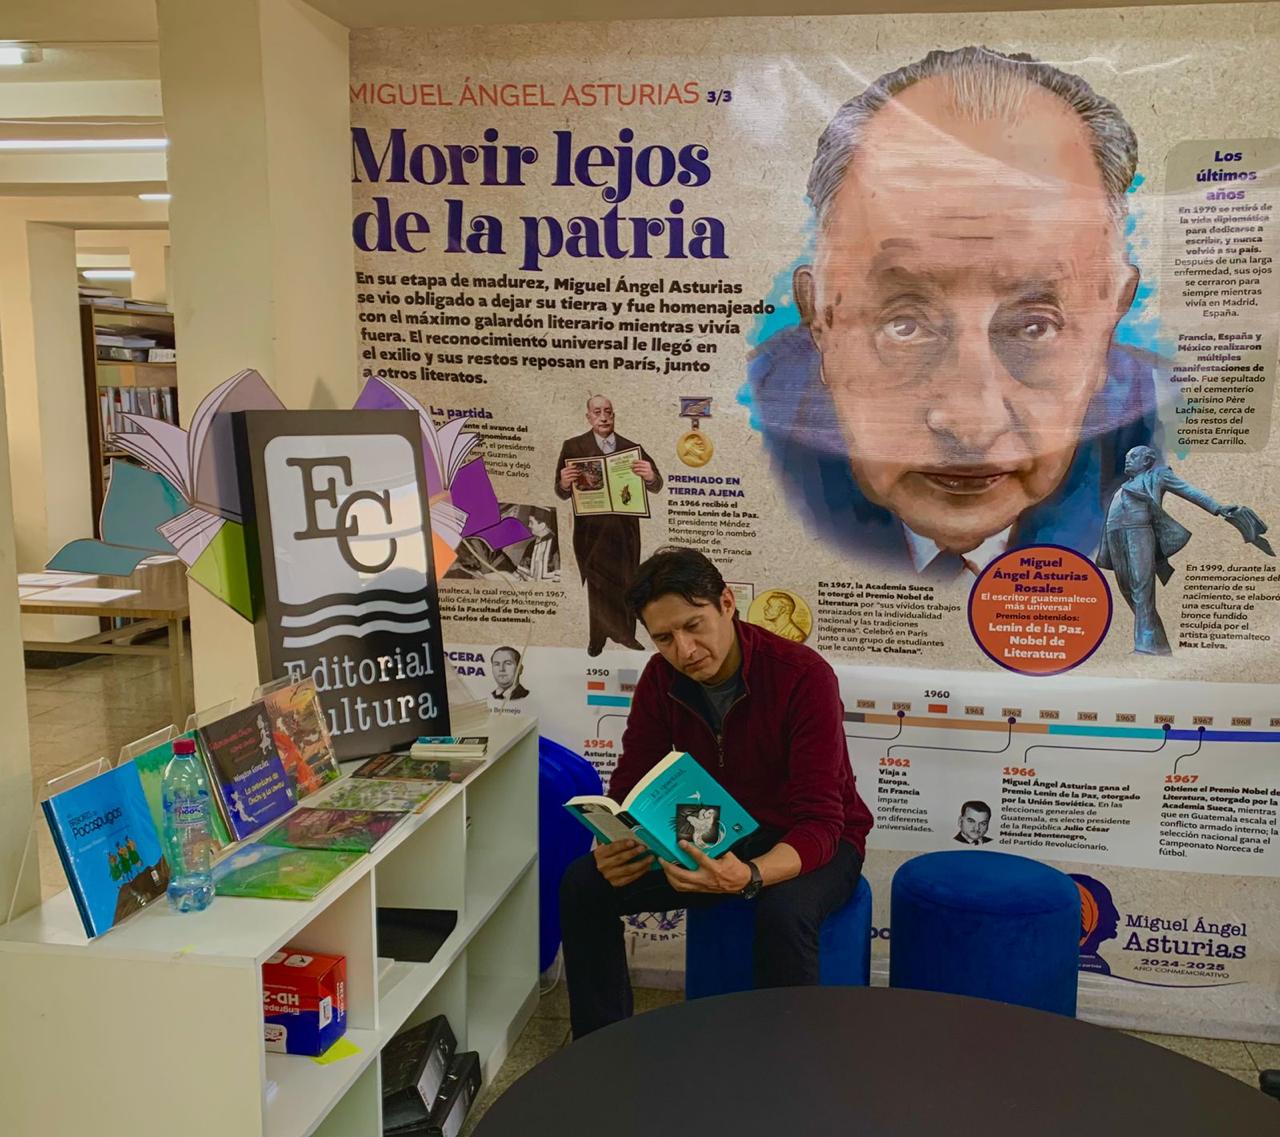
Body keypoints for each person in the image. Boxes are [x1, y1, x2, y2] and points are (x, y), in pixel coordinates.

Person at [748, 46, 1158, 577]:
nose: (971, 426)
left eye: (1034, 326)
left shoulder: (1166, 424)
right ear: (821, 318)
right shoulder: (750, 423)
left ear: (1110, 317)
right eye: (905, 325)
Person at [559, 546, 875, 1038]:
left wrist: (749, 875)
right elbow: (632, 781)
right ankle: (601, 1048)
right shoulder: (660, 678)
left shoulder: (802, 675)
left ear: (727, 603)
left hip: (813, 837)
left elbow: (822, 821)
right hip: (714, 830)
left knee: (783, 912)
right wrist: (615, 844)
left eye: (694, 626)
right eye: (664, 638)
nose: (684, 650)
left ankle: (791, 1064)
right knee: (584, 884)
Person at [1099, 445, 1270, 655]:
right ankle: (1158, 645)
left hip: (1139, 532)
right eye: (1127, 456)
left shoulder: (1158, 475)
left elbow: (1188, 490)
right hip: (1115, 536)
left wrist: (1217, 507)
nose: (1128, 459)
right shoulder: (1123, 487)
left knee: (1142, 589)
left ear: (1147, 460)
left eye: (1134, 456)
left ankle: (1145, 647)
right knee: (1127, 589)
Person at [554, 395, 663, 655]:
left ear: (614, 415)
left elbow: (657, 484)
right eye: (597, 412)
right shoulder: (573, 447)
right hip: (591, 533)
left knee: (627, 581)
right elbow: (560, 492)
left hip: (624, 532)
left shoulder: (631, 448)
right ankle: (598, 638)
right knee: (597, 585)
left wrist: (650, 476)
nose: (603, 417)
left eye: (608, 412)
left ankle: (626, 635)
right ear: (588, 417)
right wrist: (564, 483)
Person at [517, 507, 560, 582]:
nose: (529, 525)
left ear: (542, 525)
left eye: (531, 522)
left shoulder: (557, 546)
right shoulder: (531, 545)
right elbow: (523, 572)